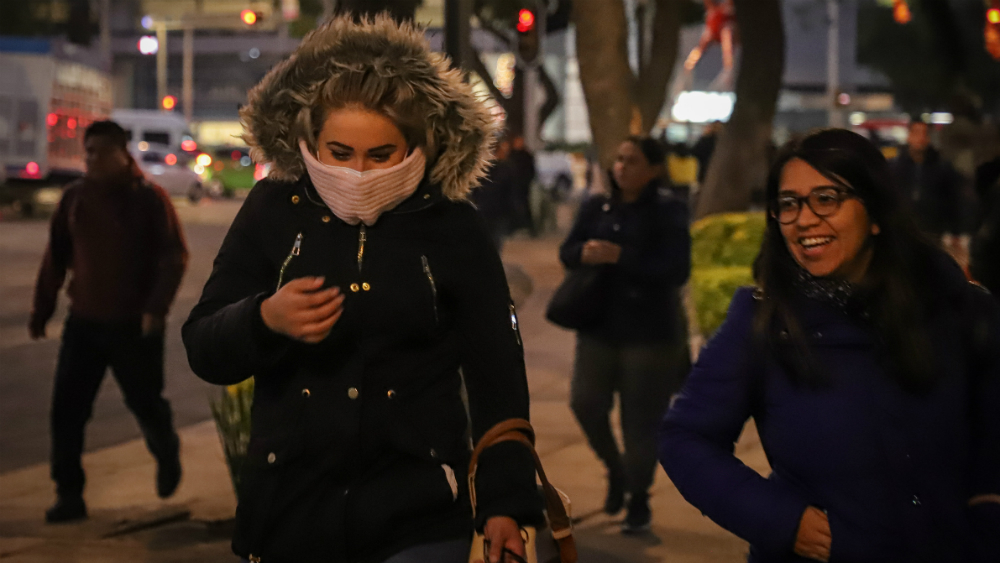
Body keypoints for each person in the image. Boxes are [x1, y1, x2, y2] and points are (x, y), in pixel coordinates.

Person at [182, 16, 541, 563]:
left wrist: (506, 503)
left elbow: (497, 375)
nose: (357, 172)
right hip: (291, 513)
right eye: (339, 152)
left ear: (417, 147)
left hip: (419, 514)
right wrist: (264, 318)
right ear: (309, 144)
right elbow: (204, 345)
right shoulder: (273, 212)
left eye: (380, 155)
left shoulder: (453, 228)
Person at [659, 129, 1000, 562]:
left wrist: (988, 517)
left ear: (875, 213)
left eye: (826, 199)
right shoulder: (764, 321)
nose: (804, 219)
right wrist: (782, 521)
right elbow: (684, 436)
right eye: (788, 204)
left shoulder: (959, 309)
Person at [29, 120, 188, 523]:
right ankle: (69, 493)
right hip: (84, 322)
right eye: (88, 153)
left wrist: (156, 308)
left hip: (135, 325)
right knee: (67, 410)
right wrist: (42, 309)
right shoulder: (75, 199)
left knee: (145, 402)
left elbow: (173, 257)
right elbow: (55, 258)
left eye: (100, 152)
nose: (92, 160)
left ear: (122, 154)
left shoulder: (149, 200)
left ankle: (166, 450)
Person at [559, 136, 691, 534]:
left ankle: (638, 497)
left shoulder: (669, 210)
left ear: (653, 168)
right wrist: (584, 252)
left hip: (650, 335)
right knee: (585, 403)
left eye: (632, 160)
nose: (622, 167)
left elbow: (676, 270)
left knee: (640, 423)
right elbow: (568, 251)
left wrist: (622, 257)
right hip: (599, 326)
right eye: (618, 159)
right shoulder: (597, 205)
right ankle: (616, 471)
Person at [889, 120, 966, 239]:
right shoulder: (895, 167)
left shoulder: (942, 167)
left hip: (932, 230)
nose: (921, 138)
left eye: (925, 134)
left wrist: (955, 231)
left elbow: (953, 200)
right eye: (916, 133)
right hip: (902, 230)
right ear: (909, 136)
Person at [470, 136, 516, 251]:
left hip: (482, 209)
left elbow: (474, 189)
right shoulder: (506, 168)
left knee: (485, 242)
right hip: (498, 211)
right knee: (495, 243)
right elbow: (510, 191)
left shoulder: (481, 167)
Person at [508, 135, 537, 236]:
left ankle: (530, 228)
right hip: (513, 186)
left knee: (525, 206)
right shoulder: (511, 155)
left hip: (523, 185)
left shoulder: (526, 155)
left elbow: (531, 170)